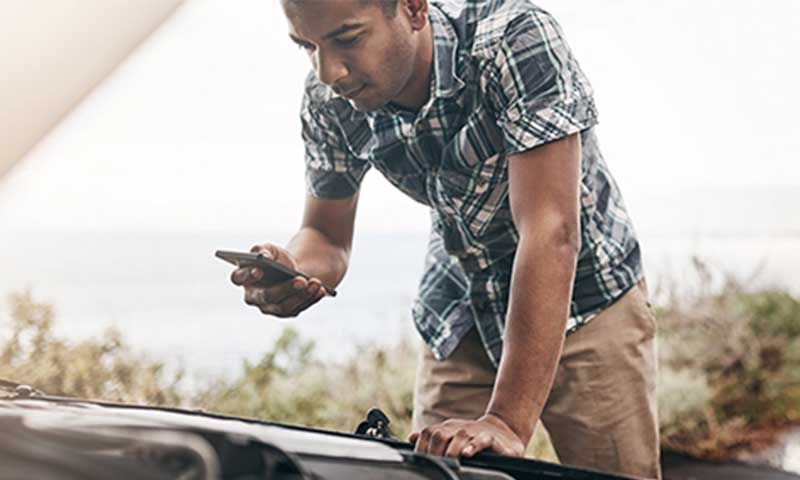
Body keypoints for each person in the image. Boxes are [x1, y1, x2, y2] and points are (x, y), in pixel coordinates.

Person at [229, 0, 660, 478]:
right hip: (460, 307)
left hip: (587, 297)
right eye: (307, 47)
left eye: (347, 39)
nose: (329, 72)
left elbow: (550, 231)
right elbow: (326, 237)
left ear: (413, 8)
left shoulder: (513, 40)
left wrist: (506, 421)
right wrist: (293, 270)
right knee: (433, 472)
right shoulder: (329, 98)